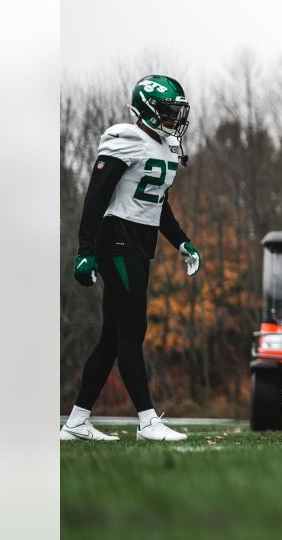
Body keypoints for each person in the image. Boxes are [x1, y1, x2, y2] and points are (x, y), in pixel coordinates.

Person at [61, 75, 202, 442]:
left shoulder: (166, 146)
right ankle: (147, 421)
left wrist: (182, 242)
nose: (174, 118)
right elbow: (95, 196)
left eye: (177, 111)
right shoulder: (126, 140)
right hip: (116, 240)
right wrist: (85, 250)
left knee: (112, 336)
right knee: (132, 329)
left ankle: (76, 423)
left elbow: (158, 202)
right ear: (147, 109)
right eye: (168, 110)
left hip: (140, 242)